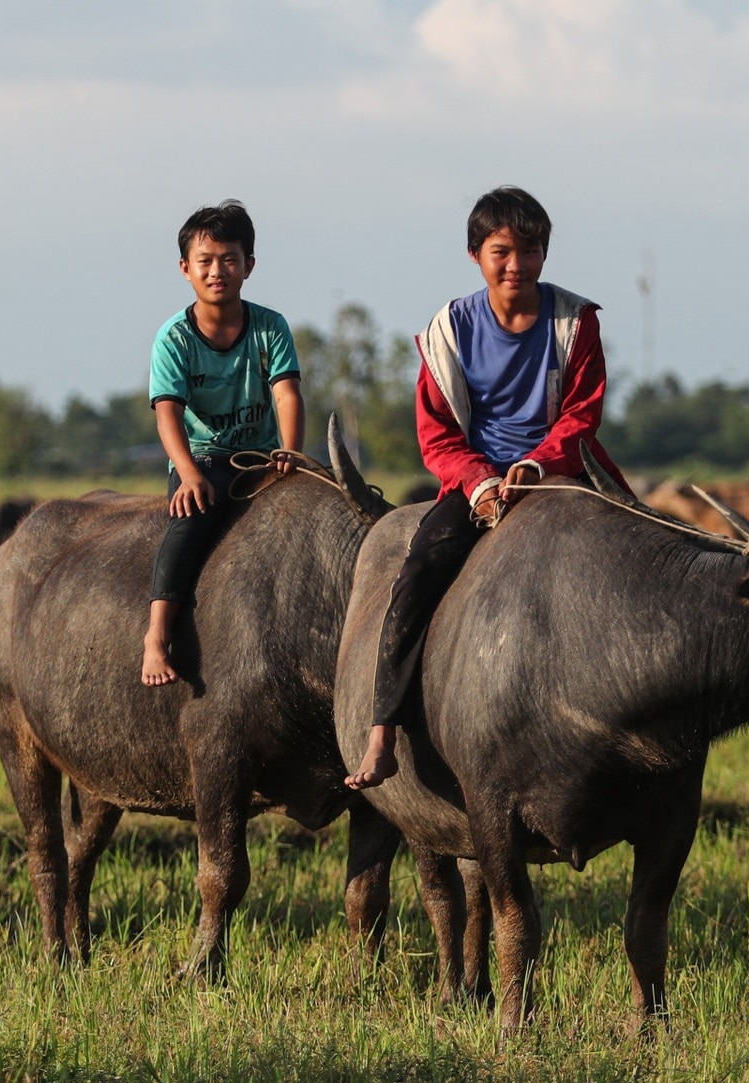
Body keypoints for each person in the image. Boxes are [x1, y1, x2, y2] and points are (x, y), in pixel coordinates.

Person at [344, 186, 627, 788]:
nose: (515, 264)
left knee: (646, 555)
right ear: (476, 254)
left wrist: (539, 465)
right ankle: (382, 731)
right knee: (418, 573)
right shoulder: (449, 330)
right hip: (477, 485)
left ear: (545, 256)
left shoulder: (576, 322)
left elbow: (581, 415)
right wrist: (481, 482)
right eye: (501, 251)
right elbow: (438, 435)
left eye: (529, 251)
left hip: (562, 475)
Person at [141, 200, 304, 686]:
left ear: (248, 266)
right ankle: (156, 637)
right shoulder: (173, 338)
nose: (218, 271)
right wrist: (187, 472)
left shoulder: (270, 326)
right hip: (204, 459)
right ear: (185, 268)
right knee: (188, 523)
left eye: (229, 259)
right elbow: (167, 414)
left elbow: (287, 394)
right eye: (206, 261)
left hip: (262, 457)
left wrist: (290, 453)